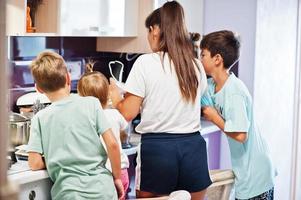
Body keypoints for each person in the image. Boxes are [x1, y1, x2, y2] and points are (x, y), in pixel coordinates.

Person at [109, 1, 212, 200]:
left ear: (155, 30)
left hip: (158, 151)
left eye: (148, 31)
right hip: (193, 148)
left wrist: (115, 95)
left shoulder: (145, 63)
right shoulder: (196, 66)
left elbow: (128, 113)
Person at [26, 51, 124, 200]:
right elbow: (113, 145)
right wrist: (117, 177)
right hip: (103, 190)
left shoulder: (40, 118)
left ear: (38, 89)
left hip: (69, 194)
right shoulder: (92, 103)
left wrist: (58, 157)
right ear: (68, 78)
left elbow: (34, 163)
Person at [200, 30, 276, 200]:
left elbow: (241, 134)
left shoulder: (234, 91)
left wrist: (215, 118)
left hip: (256, 174)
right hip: (245, 172)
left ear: (217, 59)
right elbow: (202, 99)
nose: (200, 59)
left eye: (203, 54)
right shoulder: (212, 86)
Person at [77, 65, 130, 200]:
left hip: (103, 175)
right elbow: (124, 131)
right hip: (121, 172)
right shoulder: (114, 114)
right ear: (108, 94)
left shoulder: (84, 118)